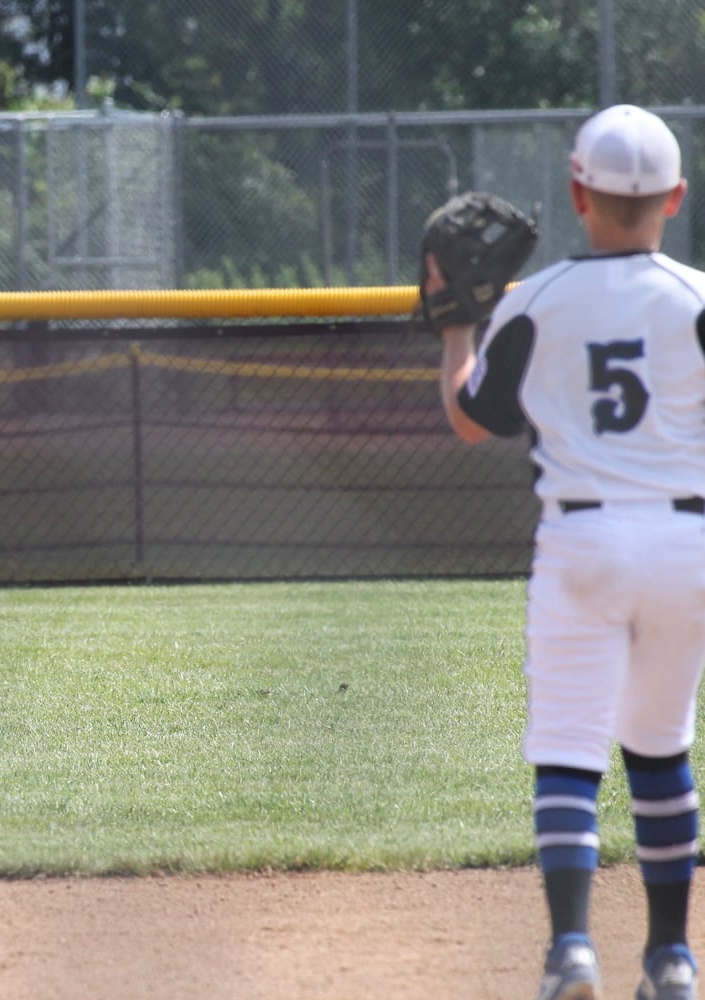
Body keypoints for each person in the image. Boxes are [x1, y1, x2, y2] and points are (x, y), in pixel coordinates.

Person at [426, 104, 705, 1000]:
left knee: (569, 752)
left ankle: (571, 953)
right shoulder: (700, 298)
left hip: (580, 542)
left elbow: (471, 419)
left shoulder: (537, 301)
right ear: (675, 198)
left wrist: (457, 327)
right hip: (686, 542)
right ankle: (671, 960)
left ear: (578, 194)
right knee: (660, 749)